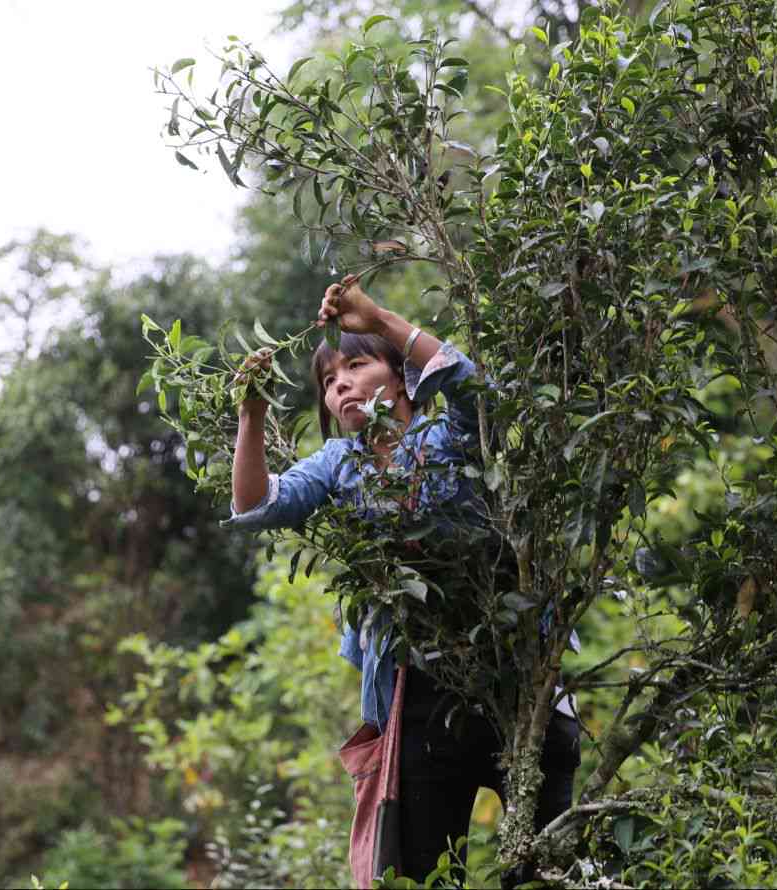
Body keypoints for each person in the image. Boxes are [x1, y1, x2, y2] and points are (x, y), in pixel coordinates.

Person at [226, 276, 580, 885]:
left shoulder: (450, 435)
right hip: (418, 692)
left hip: (519, 676)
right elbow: (256, 504)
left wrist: (378, 319)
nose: (339, 386)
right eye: (328, 383)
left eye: (354, 367)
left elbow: (476, 388)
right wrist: (252, 414)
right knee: (423, 874)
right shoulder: (340, 464)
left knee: (547, 867)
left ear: (398, 378)